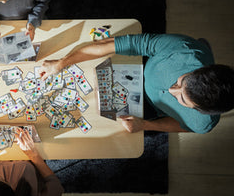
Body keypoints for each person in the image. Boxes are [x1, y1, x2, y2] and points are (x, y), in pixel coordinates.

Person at [38, 33, 234, 134]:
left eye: (182, 98)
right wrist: (61, 63)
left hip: (151, 108)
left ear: (198, 110)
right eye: (180, 80)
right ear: (198, 70)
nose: (171, 89)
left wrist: (146, 125)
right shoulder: (182, 49)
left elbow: (182, 126)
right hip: (140, 68)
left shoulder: (203, 123)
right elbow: (112, 44)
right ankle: (203, 48)